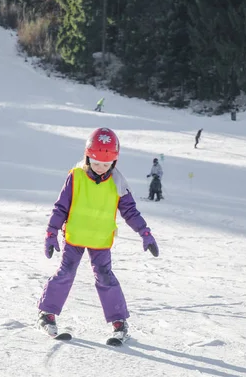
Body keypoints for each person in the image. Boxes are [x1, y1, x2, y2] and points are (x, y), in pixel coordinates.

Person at [37, 127, 159, 340]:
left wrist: (145, 232)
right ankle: (47, 314)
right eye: (96, 163)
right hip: (74, 236)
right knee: (65, 273)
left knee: (105, 276)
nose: (101, 168)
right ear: (87, 157)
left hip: (101, 239)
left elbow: (130, 211)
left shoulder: (118, 182)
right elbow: (60, 208)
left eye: (106, 164)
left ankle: (119, 322)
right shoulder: (75, 177)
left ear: (114, 162)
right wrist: (51, 232)